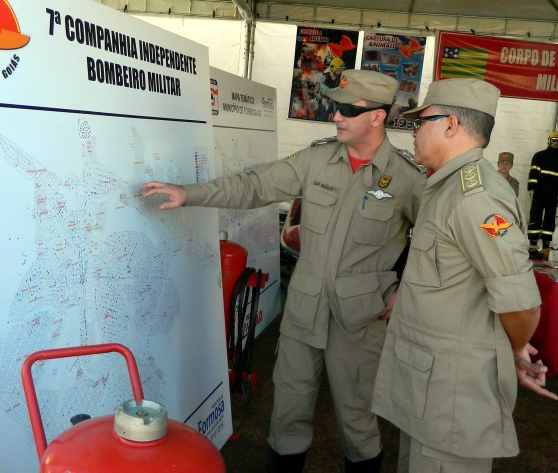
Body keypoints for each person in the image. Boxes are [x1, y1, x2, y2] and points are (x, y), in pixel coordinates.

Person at [142, 69, 427, 473]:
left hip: (361, 320)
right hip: (304, 312)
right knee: (288, 415)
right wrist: (191, 193)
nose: (336, 116)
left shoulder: (408, 179)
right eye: (334, 106)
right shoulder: (316, 159)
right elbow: (254, 185)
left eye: (348, 109)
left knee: (358, 420)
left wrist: (407, 289)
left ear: (378, 116)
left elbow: (436, 242)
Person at [371, 78, 557, 473]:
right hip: (429, 389)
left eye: (421, 122)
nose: (414, 131)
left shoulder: (476, 197)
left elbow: (522, 304)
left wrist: (515, 349)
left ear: (451, 125)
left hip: (453, 399)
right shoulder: (446, 186)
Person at [527, 131, 558, 260]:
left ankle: (546, 249)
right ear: (549, 141)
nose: (556, 143)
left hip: (553, 194)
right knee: (535, 217)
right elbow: (533, 173)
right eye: (554, 140)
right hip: (539, 193)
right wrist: (532, 187)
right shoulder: (539, 156)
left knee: (549, 220)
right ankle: (532, 247)